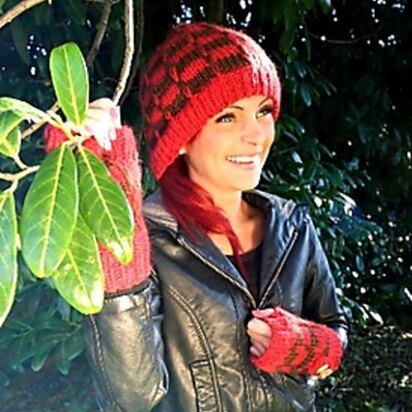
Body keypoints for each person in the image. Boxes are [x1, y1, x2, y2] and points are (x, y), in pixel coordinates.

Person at [45, 22, 348, 412]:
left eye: (264, 111)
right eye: (227, 117)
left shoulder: (291, 225)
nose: (257, 135)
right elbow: (133, 399)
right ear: (181, 138)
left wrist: (304, 347)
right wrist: (112, 232)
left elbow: (334, 329)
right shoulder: (150, 242)